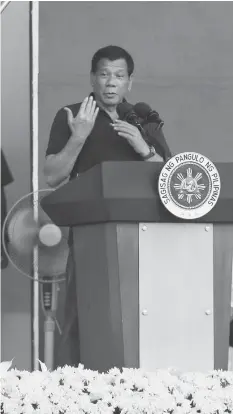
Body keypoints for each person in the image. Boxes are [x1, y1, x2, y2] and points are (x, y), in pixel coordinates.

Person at [44, 45, 171, 366]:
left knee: (141, 315)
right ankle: (71, 386)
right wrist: (78, 137)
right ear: (92, 78)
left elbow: (172, 177)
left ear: (130, 81)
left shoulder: (143, 118)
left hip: (145, 237)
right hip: (90, 237)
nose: (110, 82)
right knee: (81, 314)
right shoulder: (72, 115)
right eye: (103, 74)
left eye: (118, 75)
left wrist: (143, 148)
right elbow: (52, 176)